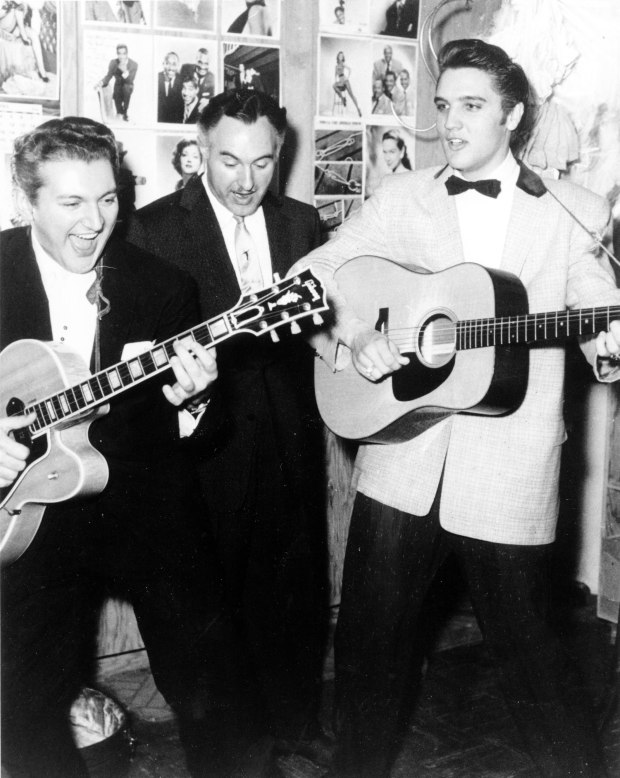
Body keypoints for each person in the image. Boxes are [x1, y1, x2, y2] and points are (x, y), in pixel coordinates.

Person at [292, 38, 620, 778]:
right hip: (400, 458)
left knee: (530, 652)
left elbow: (596, 304)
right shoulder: (405, 196)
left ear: (512, 113)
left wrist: (608, 345)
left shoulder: (572, 210)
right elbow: (316, 270)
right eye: (444, 107)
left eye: (471, 107)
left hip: (508, 462)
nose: (451, 124)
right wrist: (352, 329)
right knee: (370, 645)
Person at [0, 116, 268, 778]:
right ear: (25, 199)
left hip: (142, 499)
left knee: (213, 679)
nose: (95, 222)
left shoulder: (162, 287)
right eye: (71, 203)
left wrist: (193, 399)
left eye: (108, 199)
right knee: (20, 698)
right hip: (27, 511)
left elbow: (200, 431)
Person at [126, 88, 331, 771]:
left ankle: (291, 722)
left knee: (292, 590)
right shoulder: (152, 229)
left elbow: (327, 335)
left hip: (292, 440)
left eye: (264, 163)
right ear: (199, 149)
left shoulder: (304, 226)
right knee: (213, 608)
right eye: (229, 161)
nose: (246, 182)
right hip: (200, 449)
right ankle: (230, 748)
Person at [95, 43, 138, 121]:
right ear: (117, 54)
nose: (121, 56)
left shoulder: (133, 64)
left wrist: (124, 70)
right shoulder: (113, 62)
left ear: (127, 54)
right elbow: (108, 76)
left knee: (126, 87)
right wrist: (101, 82)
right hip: (118, 86)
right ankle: (120, 113)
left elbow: (130, 80)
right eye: (119, 54)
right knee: (117, 93)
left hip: (128, 86)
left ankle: (125, 112)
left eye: (123, 54)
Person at [180, 47, 215, 113]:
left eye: (206, 63)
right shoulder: (185, 69)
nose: (202, 67)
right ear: (196, 60)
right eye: (200, 62)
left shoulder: (212, 78)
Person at [332, 50, 362, 117]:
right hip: (340, 82)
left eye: (342, 56)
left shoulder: (343, 64)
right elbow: (335, 76)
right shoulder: (336, 66)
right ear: (338, 57)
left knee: (351, 95)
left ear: (343, 58)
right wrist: (337, 82)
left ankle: (358, 109)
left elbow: (349, 69)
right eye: (340, 56)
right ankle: (343, 98)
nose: (341, 57)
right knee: (334, 86)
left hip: (345, 81)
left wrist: (347, 77)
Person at [157, 50, 184, 123]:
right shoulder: (156, 78)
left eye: (174, 64)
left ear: (178, 66)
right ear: (163, 64)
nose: (171, 68)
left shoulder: (183, 82)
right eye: (168, 63)